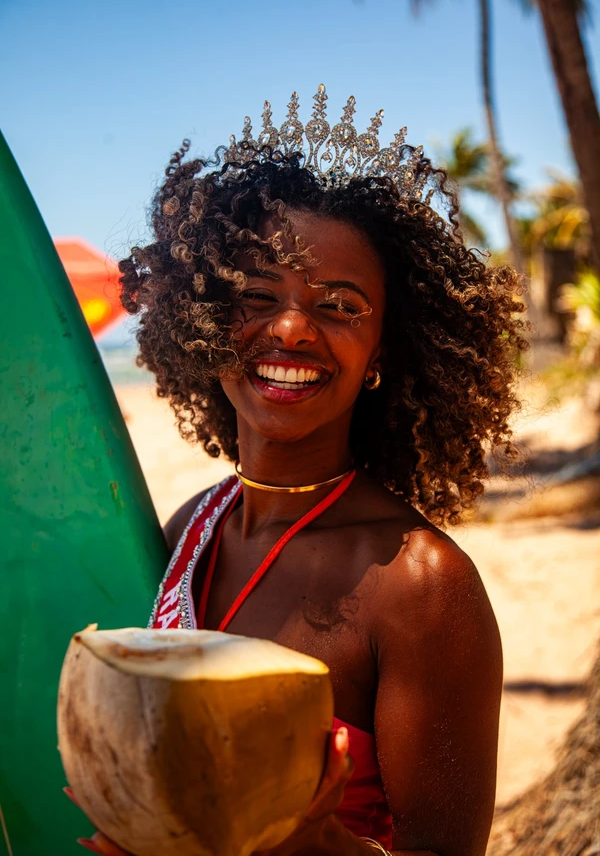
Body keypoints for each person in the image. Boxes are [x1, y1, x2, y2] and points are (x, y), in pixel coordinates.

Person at [71, 86, 527, 856]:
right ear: (206, 320)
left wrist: (308, 841)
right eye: (257, 294)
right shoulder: (192, 528)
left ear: (382, 349)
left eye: (340, 304)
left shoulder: (420, 585)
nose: (290, 327)